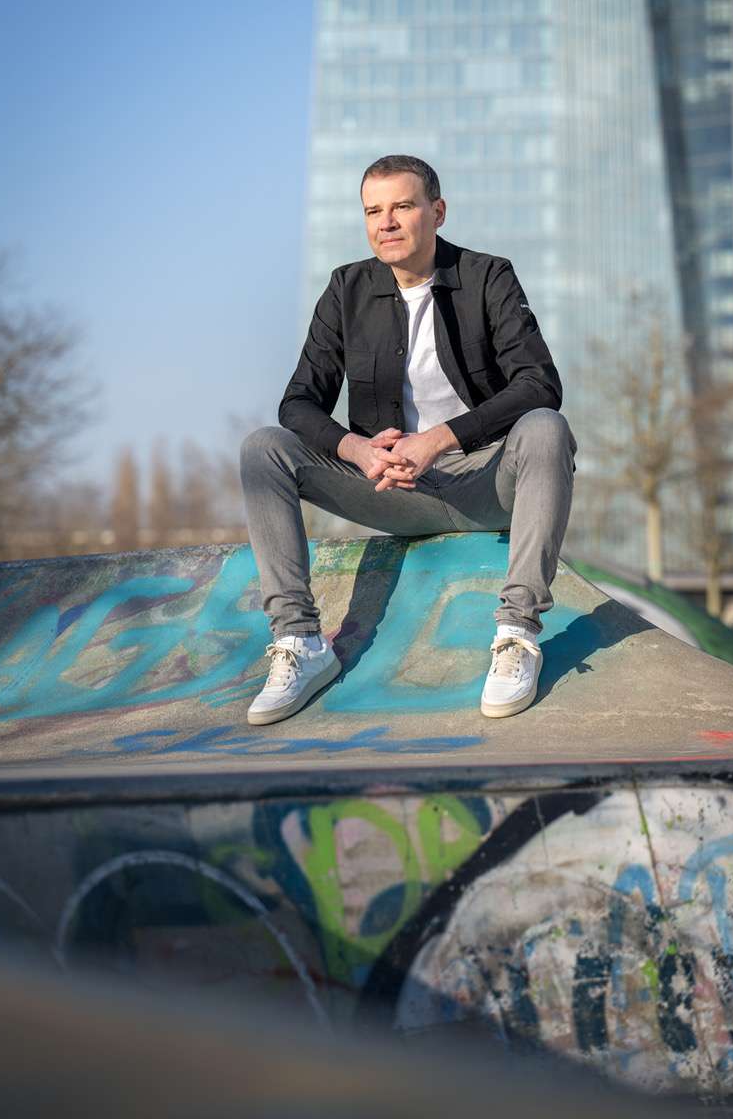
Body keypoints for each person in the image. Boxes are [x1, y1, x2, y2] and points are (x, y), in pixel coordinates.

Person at [240, 155, 576, 725]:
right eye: (373, 211)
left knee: (546, 427)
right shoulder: (345, 289)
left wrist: (438, 439)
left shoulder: (488, 276)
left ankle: (517, 633)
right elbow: (297, 403)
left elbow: (541, 383)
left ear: (437, 212)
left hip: (482, 481)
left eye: (402, 206)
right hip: (386, 488)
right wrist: (359, 449)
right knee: (263, 448)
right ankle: (300, 642)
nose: (386, 223)